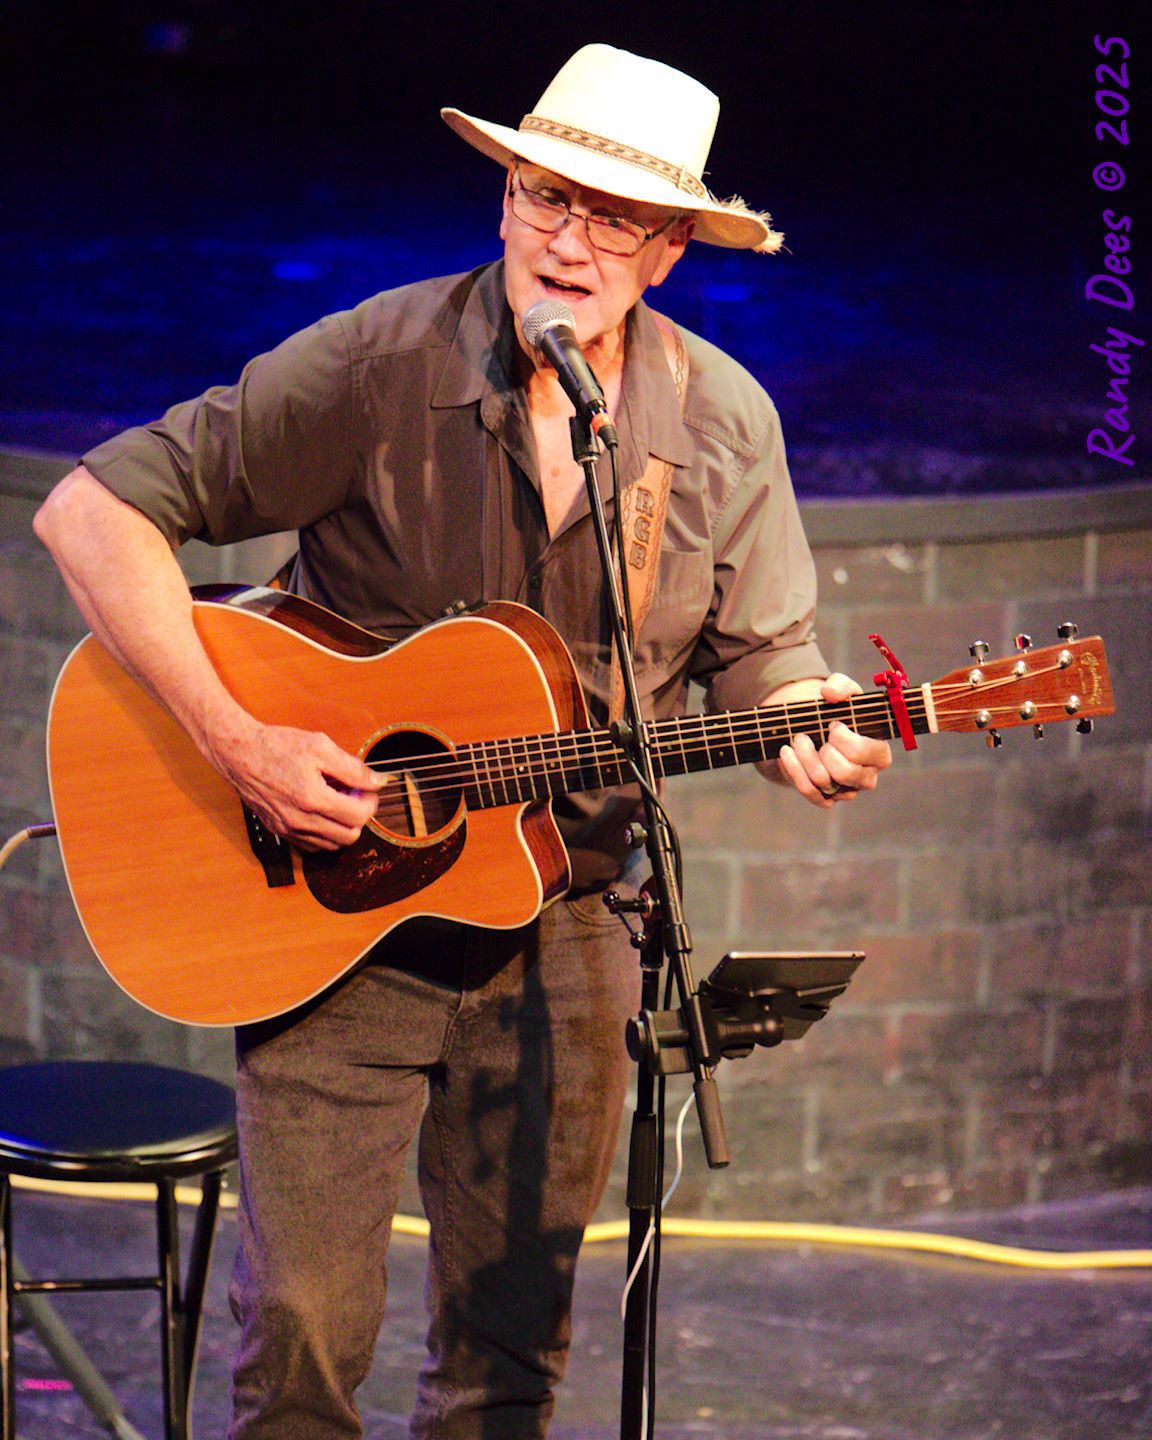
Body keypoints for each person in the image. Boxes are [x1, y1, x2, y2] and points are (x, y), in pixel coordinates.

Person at [34, 43, 891, 1440]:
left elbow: (768, 658)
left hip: (568, 933)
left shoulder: (722, 422)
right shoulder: (375, 365)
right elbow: (91, 512)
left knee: (507, 1359)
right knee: (300, 1335)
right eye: (548, 196)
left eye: (615, 217)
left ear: (669, 250)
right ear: (504, 198)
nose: (571, 239)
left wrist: (810, 721)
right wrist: (238, 739)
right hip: (336, 917)